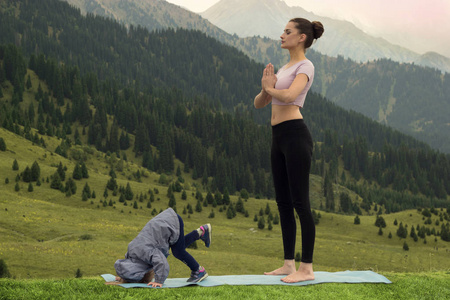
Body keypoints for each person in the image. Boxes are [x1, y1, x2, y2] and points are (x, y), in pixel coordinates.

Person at [253, 18, 324, 283]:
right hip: (278, 137)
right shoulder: (284, 68)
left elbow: (291, 95)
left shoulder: (306, 66)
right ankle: (288, 264)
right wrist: (265, 88)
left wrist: (272, 88)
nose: (282, 35)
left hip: (295, 135)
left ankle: (306, 268)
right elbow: (261, 103)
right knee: (283, 203)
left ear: (302, 37)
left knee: (300, 203)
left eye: (288, 31)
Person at [109, 208, 211, 287]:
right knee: (178, 247)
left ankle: (198, 271)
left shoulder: (147, 252)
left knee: (178, 252)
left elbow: (161, 262)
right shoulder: (132, 251)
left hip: (171, 222)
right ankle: (201, 232)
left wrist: (159, 281)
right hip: (165, 221)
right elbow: (128, 262)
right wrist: (124, 276)